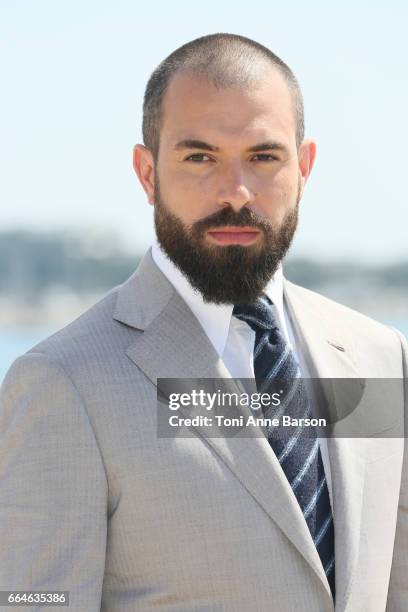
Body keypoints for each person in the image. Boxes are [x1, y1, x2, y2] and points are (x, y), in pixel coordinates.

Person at [0, 33, 407, 612]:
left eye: (263, 157)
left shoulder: (379, 355)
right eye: (199, 157)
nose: (235, 193)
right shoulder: (63, 382)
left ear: (305, 166)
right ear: (147, 174)